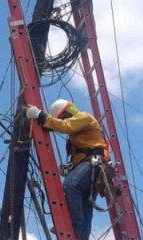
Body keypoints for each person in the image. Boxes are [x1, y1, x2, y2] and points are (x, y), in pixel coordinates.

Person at [26, 99, 108, 240]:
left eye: (62, 117)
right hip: (90, 167)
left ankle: (73, 230)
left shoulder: (84, 117)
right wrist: (42, 120)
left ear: (68, 112)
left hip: (93, 163)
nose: (62, 120)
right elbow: (60, 126)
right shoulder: (77, 128)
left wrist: (40, 115)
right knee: (84, 206)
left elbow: (66, 126)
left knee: (71, 186)